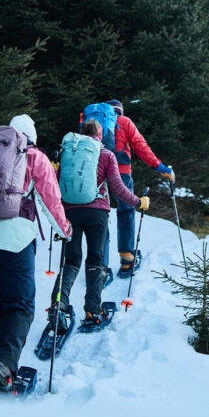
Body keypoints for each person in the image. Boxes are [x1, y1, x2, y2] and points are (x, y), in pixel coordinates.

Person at [0, 114, 71, 390]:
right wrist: (65, 231)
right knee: (20, 306)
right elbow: (50, 201)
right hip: (15, 239)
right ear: (31, 135)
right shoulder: (34, 156)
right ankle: (4, 367)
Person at [51, 119, 149, 329]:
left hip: (70, 213)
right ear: (101, 134)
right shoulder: (106, 155)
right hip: (97, 214)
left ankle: (58, 305)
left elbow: (56, 183)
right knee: (95, 260)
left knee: (71, 261)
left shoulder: (69, 154)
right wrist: (138, 202)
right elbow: (117, 187)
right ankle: (93, 311)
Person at [106, 100, 174, 278]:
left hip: (97, 173)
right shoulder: (124, 122)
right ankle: (127, 260)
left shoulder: (93, 122)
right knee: (126, 211)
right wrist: (161, 168)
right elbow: (140, 146)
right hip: (121, 172)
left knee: (100, 216)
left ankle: (100, 269)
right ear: (120, 111)